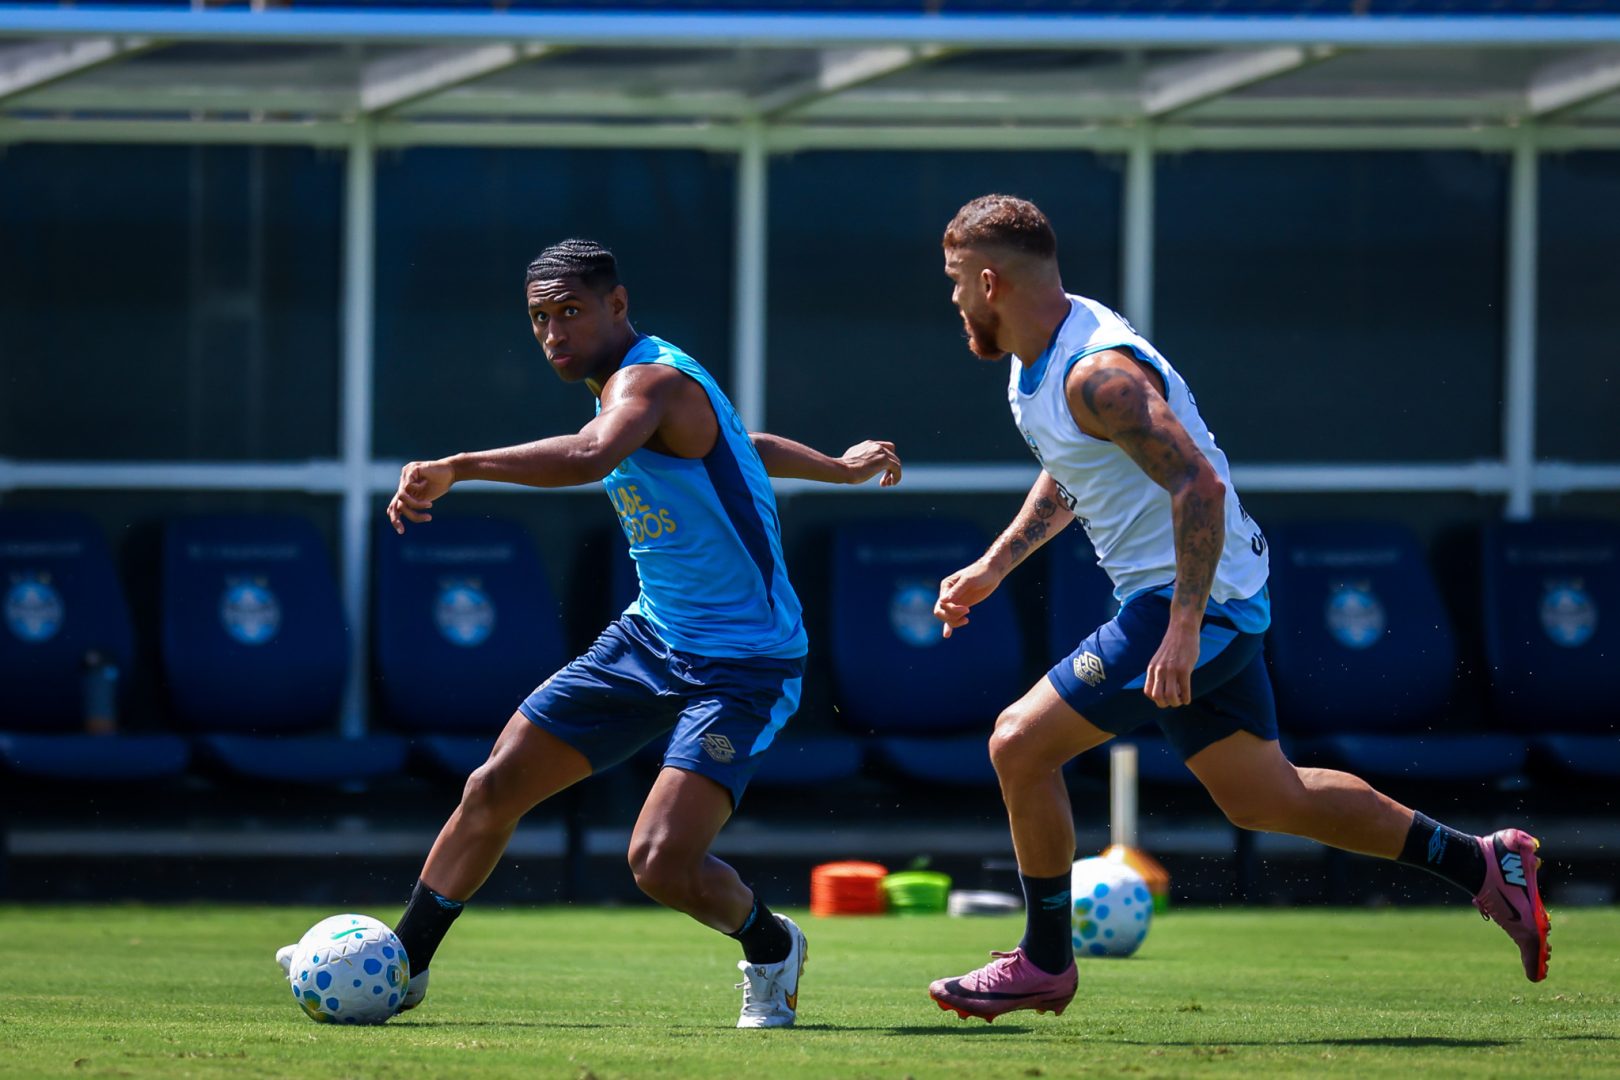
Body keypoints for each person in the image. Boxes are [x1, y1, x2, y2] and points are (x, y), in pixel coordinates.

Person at [924, 195, 1548, 1023]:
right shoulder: (1037, 362)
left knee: (1017, 744)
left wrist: (1182, 628)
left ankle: (1044, 962)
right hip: (1203, 596)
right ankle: (1484, 863)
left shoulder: (1098, 375)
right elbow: (1076, 467)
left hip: (1195, 602)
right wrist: (993, 567)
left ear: (990, 281)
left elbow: (1199, 485)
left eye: (956, 281)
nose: (953, 298)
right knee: (1267, 800)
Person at [278, 239, 901, 1029]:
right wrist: (838, 468)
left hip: (745, 666)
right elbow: (740, 444)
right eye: (539, 318)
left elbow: (591, 454)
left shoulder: (652, 380)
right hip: (649, 641)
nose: (553, 333)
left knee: (659, 861)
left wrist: (461, 465)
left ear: (617, 304)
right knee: (493, 787)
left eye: (570, 311)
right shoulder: (632, 391)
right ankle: (405, 964)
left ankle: (772, 945)